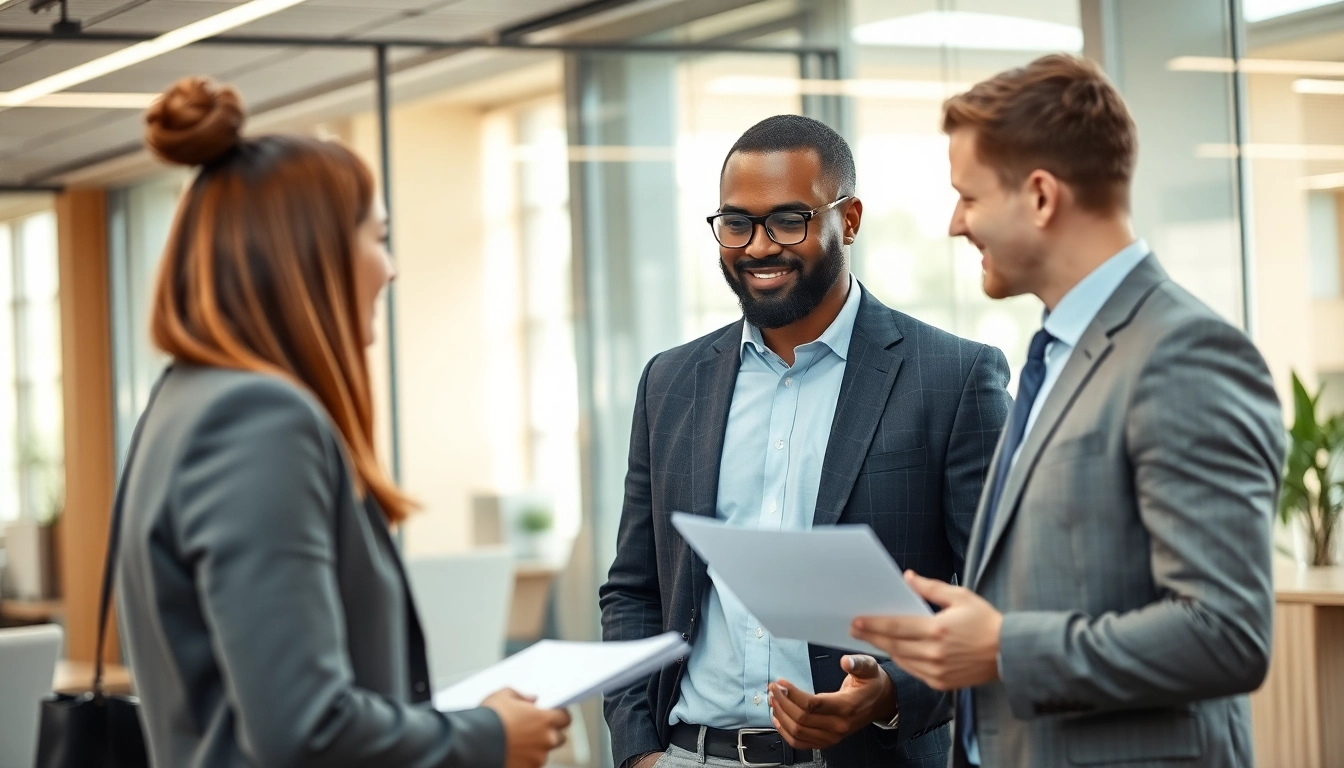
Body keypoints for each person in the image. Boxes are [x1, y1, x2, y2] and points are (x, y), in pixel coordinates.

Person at [115, 76, 570, 768]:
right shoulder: (256, 419)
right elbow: (305, 728)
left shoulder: (185, 400)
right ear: (312, 255)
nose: (389, 270)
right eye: (379, 238)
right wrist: (485, 738)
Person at [849, 54, 1286, 767]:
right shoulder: (1056, 351)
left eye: (969, 196)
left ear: (1042, 197)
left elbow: (1226, 633)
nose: (955, 224)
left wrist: (1001, 647)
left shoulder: (1184, 354)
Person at [599, 114, 1012, 768]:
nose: (759, 246)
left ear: (848, 220)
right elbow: (634, 589)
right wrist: (637, 750)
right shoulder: (670, 382)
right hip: (688, 753)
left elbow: (1000, 604)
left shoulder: (953, 379)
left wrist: (890, 695)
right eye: (736, 223)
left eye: (788, 219)